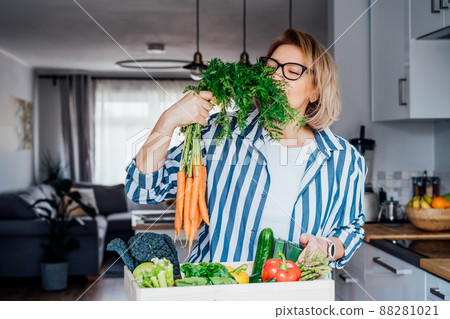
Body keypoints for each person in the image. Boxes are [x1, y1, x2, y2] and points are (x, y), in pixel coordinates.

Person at [125, 28, 366, 269]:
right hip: (217, 289)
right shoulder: (220, 132)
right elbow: (143, 189)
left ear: (316, 91)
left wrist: (328, 247)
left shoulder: (344, 159)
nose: (276, 77)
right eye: (270, 68)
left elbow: (351, 228)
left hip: (294, 292)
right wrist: (167, 121)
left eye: (292, 71)